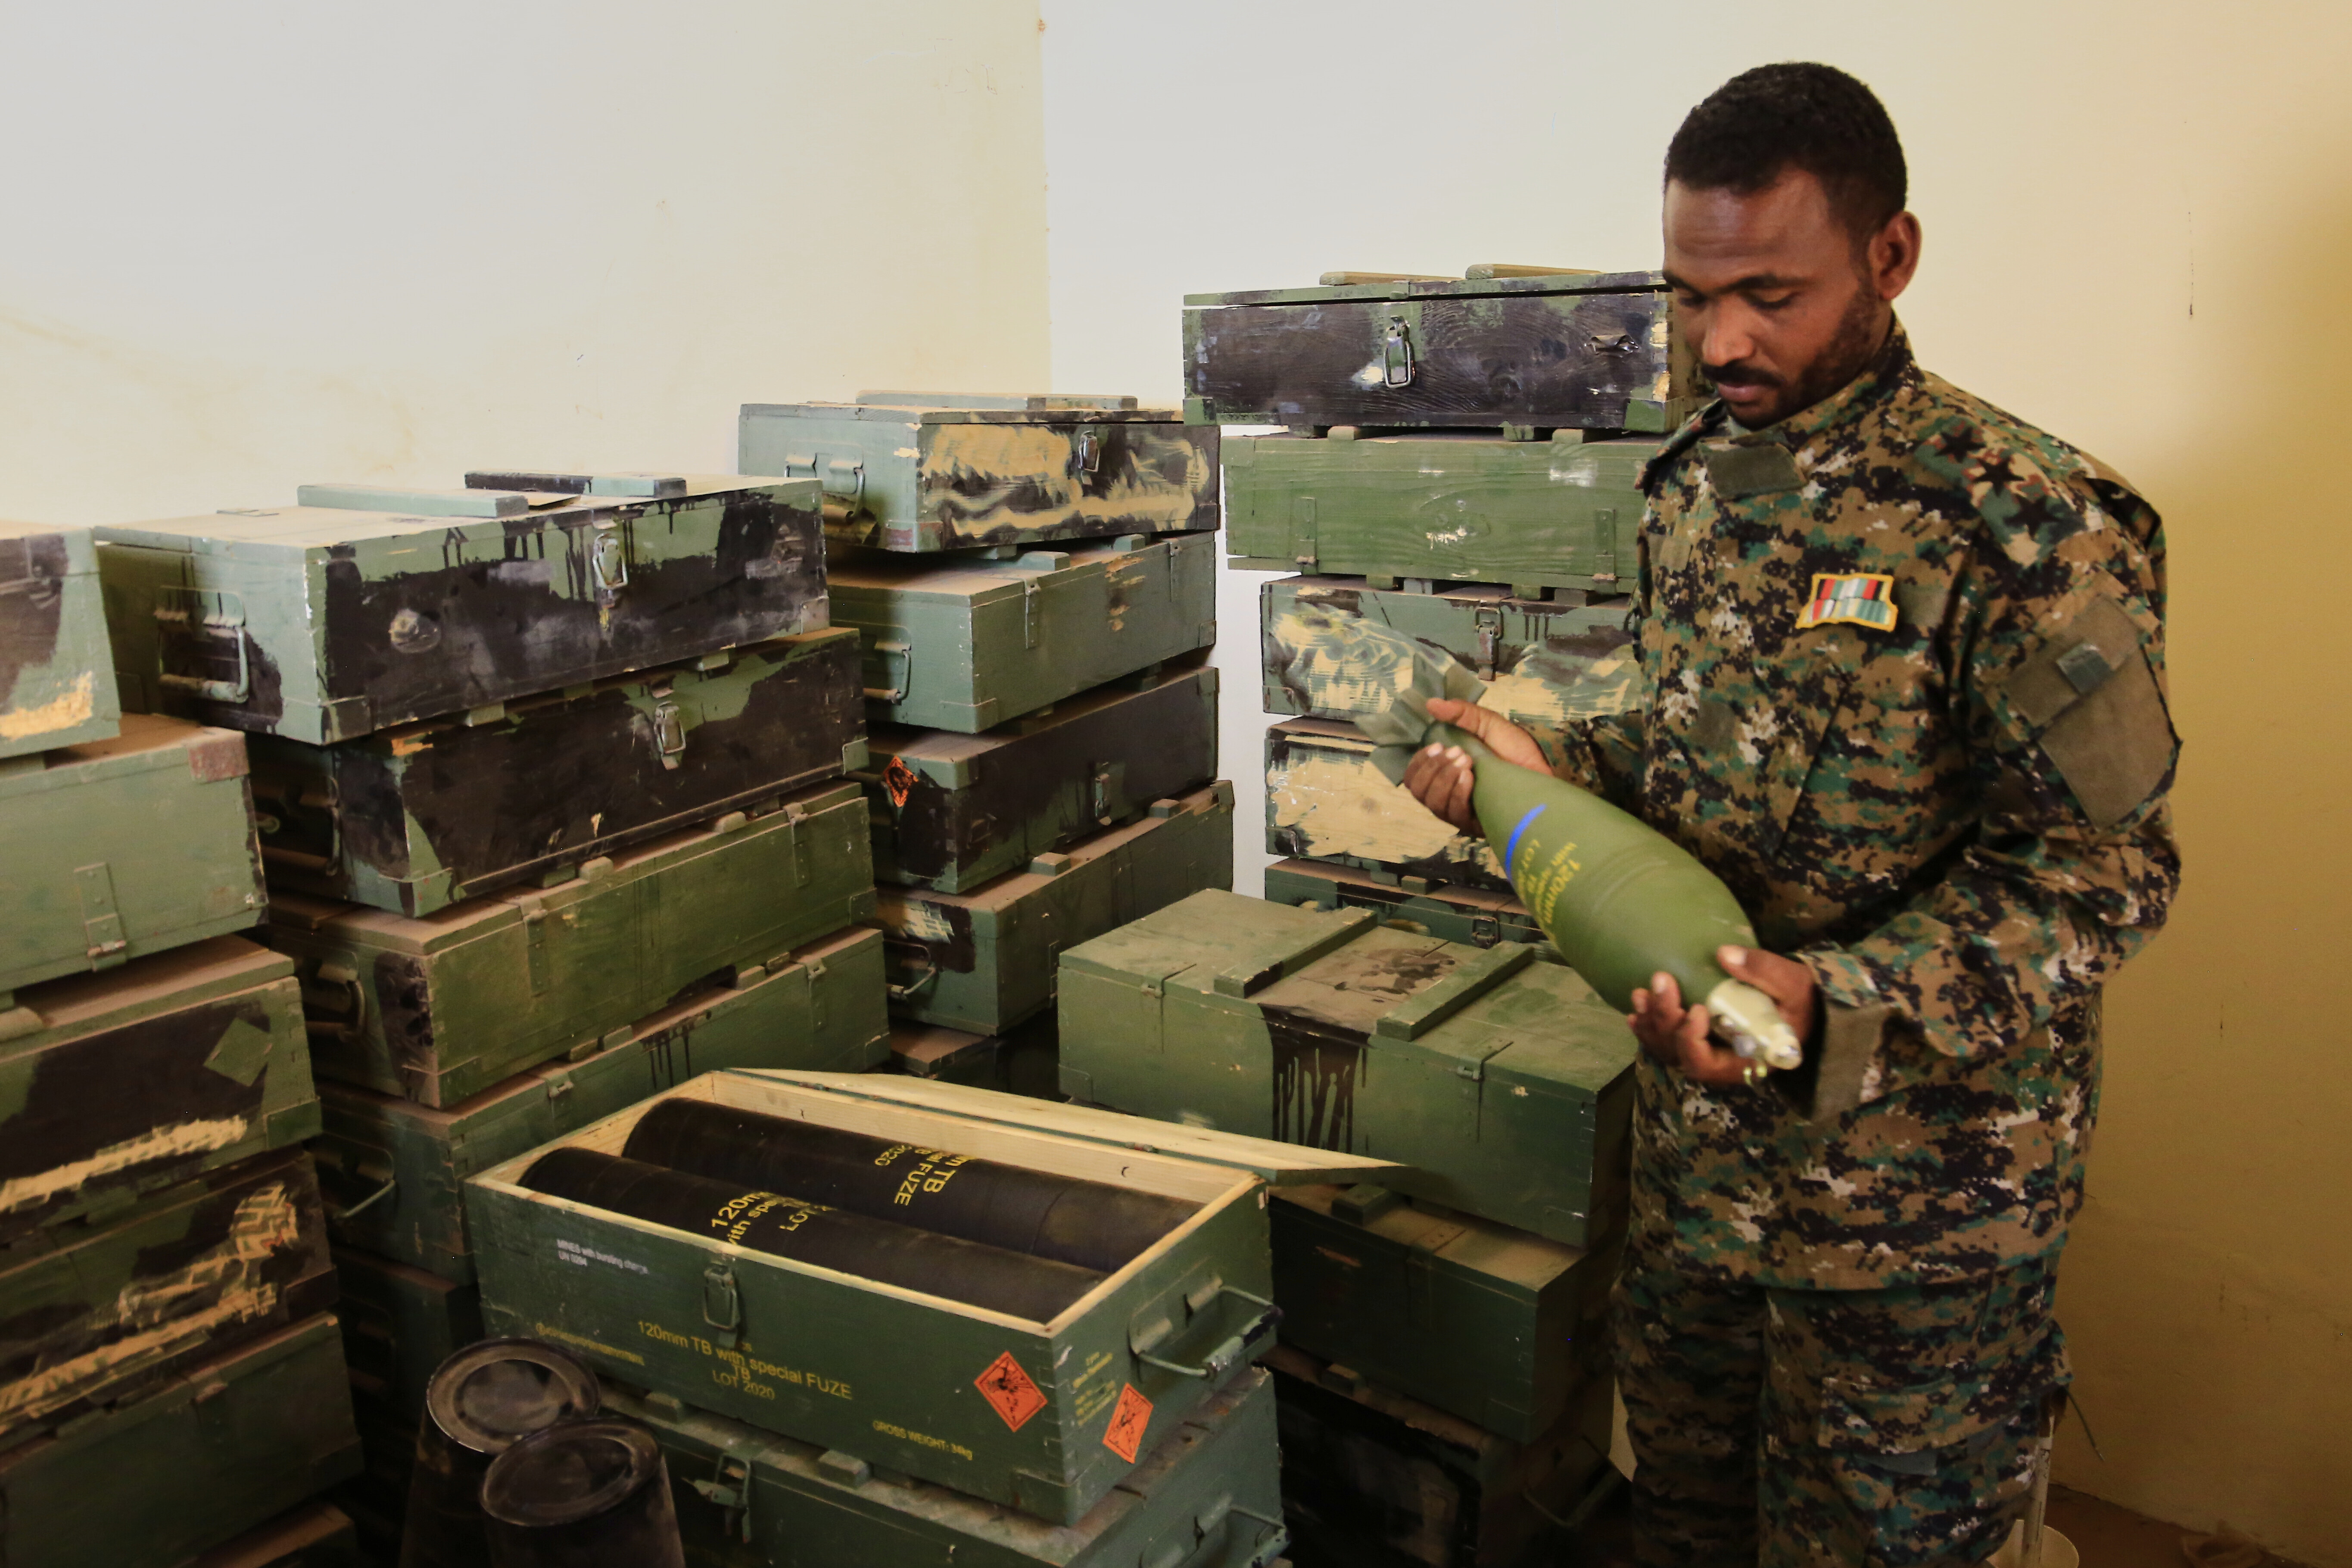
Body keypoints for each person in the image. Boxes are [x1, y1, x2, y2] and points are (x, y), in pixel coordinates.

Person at [1401, 62, 2180, 1567]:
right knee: (1685, 1530)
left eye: (1769, 290)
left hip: (1917, 1223)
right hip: (1700, 1170)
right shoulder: (1696, 483)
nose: (1722, 339)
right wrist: (1539, 765)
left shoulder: (2028, 524)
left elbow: (2104, 872)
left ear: (1888, 258)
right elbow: (1701, 746)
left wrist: (1837, 1006)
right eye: (1691, 297)